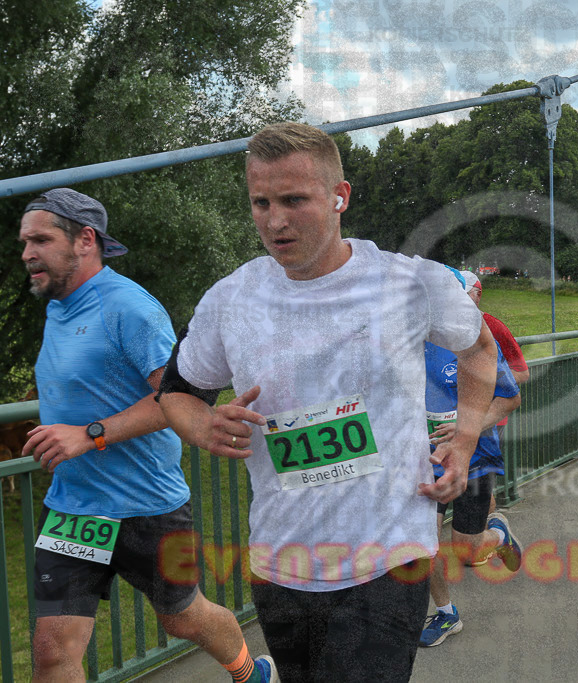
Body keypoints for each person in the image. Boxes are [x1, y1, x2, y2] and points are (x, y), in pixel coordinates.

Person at [157, 122, 498, 681]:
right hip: (280, 559)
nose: (274, 220)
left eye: (294, 200)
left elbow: (481, 352)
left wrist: (462, 444)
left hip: (389, 555)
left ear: (340, 197)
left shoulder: (411, 284)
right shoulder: (230, 299)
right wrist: (203, 426)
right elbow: (177, 392)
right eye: (260, 202)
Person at [18, 188, 277, 683]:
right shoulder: (58, 307)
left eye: (41, 239)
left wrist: (88, 434)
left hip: (146, 508)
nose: (27, 253)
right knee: (52, 652)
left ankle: (249, 671)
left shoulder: (129, 308)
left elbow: (177, 399)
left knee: (183, 617)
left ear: (85, 240)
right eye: (24, 241)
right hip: (75, 508)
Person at [420, 269, 522, 647]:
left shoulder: (478, 343)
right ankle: (447, 613)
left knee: (466, 548)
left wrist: (469, 428)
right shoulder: (413, 341)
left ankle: (498, 533)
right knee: (424, 540)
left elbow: (510, 398)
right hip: (428, 459)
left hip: (476, 456)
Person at [461, 270, 528, 528]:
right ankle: (474, 536)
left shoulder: (494, 327)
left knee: (480, 486)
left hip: (489, 420)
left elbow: (521, 373)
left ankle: (488, 536)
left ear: (478, 295)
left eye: (463, 293)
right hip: (452, 419)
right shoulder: (444, 328)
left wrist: (480, 384)